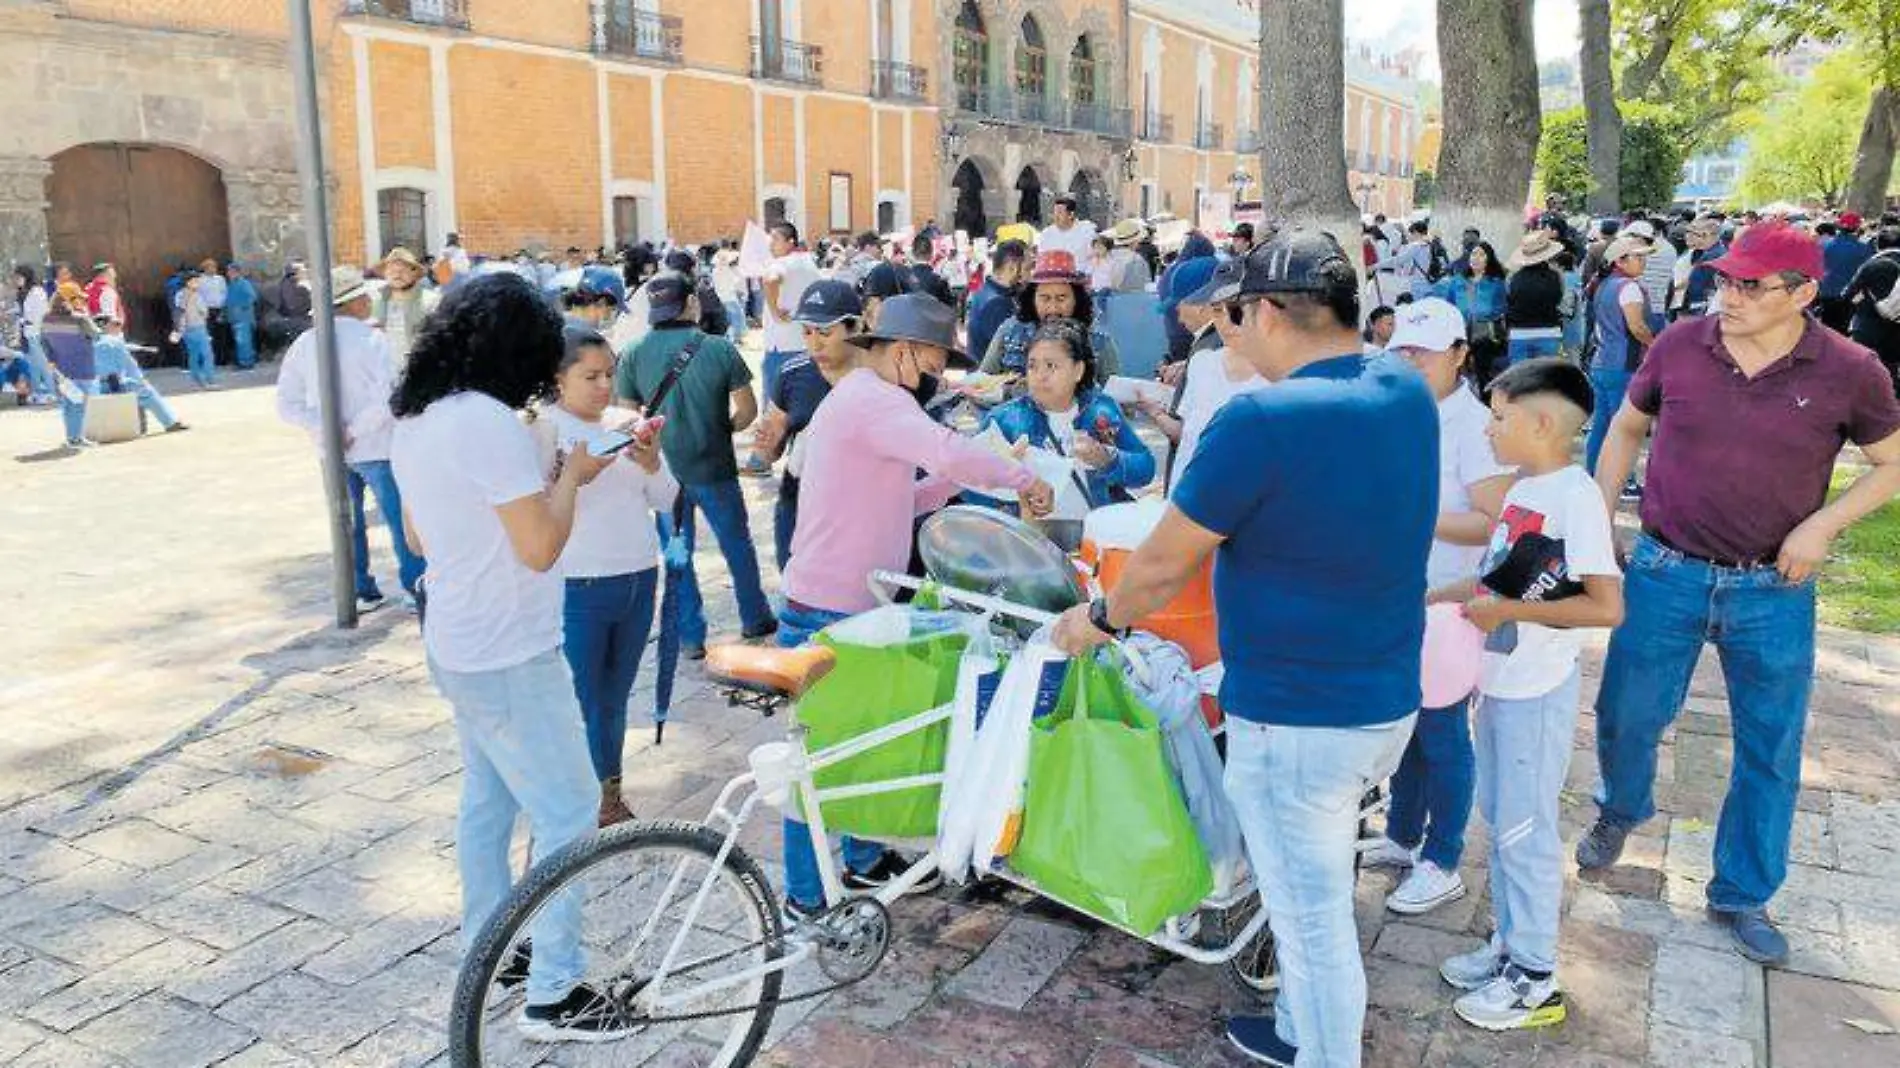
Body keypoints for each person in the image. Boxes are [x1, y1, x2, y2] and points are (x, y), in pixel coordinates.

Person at [1051, 232, 1435, 1067]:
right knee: (1314, 893)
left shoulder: (1261, 417)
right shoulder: (1402, 385)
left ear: (1265, 311)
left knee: (1311, 922)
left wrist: (1098, 619)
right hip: (1382, 693)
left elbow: (1159, 563)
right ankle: (1296, 1030)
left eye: (1234, 315)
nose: (1230, 334)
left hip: (1301, 714)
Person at [1580, 222, 1900, 967]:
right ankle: (1622, 807)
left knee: (1770, 745)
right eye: (1725, 279)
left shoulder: (1852, 370)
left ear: (1804, 294)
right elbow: (1626, 427)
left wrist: (1822, 527)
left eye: (1750, 285)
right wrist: (1601, 515)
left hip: (1773, 590)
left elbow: (1890, 465)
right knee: (1626, 715)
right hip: (1666, 572)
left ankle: (1743, 891)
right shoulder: (1680, 345)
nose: (1728, 295)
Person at [388, 273, 625, 1041]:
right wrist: (573, 482)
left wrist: (546, 483)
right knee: (568, 810)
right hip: (510, 646)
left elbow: (423, 538)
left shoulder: (416, 419)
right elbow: (540, 547)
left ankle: (489, 946)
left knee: (488, 803)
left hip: (457, 639)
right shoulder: (487, 422)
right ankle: (555, 993)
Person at [778, 293, 1054, 923]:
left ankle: (864, 860)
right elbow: (947, 452)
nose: (931, 375)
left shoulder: (863, 400)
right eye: (930, 362)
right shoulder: (874, 399)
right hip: (827, 604)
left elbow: (913, 490)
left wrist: (971, 475)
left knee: (864, 738)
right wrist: (1020, 480)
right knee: (816, 762)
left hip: (850, 597)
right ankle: (805, 897)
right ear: (901, 351)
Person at [1432, 358, 1623, 1031]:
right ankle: (1512, 946)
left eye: (1499, 417)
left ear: (1541, 423)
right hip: (1500, 683)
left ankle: (1536, 978)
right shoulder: (1522, 490)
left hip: (1536, 691)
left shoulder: (1575, 496)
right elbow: (1499, 583)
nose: (1489, 430)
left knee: (1525, 831)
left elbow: (1606, 607)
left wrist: (1507, 616)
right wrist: (1437, 598)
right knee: (1501, 818)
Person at [1365, 299, 1514, 918]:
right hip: (1395, 597)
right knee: (1406, 728)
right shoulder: (1394, 413)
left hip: (1448, 603)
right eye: (1402, 350)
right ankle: (1403, 835)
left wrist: (1413, 519)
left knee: (1443, 733)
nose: (1412, 360)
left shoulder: (1475, 426)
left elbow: (1492, 522)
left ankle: (1443, 858)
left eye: (1425, 350)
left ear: (1460, 353)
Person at [529, 328, 677, 828]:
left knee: (615, 697)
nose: (602, 386)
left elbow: (666, 499)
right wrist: (570, 475)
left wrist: (653, 462)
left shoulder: (627, 423)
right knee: (580, 698)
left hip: (637, 574)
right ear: (557, 379)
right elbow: (531, 512)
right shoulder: (542, 429)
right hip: (577, 583)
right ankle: (572, 798)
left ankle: (608, 795)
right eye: (589, 376)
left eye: (609, 375)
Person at [616, 273, 776, 657]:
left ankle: (690, 637)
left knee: (677, 556)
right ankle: (754, 617)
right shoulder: (719, 349)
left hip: (663, 473)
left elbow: (626, 419)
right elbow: (748, 411)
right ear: (691, 303)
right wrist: (722, 428)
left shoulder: (633, 352)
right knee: (737, 544)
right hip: (715, 467)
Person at [278, 266, 426, 608]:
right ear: (356, 302)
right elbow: (388, 397)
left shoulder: (304, 344)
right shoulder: (373, 340)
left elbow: (287, 403)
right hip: (377, 447)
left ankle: (360, 587)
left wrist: (327, 429)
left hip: (330, 449)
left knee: (346, 522)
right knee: (399, 520)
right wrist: (354, 430)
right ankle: (414, 584)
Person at [978, 319, 1155, 509]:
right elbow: (970, 491)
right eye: (1032, 366)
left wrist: (1107, 459)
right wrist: (1004, 475)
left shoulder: (1101, 410)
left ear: (1078, 370)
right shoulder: (1004, 420)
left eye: (1051, 366)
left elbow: (1145, 469)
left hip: (1092, 530)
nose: (1040, 375)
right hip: (1031, 533)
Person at [755, 280, 863, 569]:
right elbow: (769, 453)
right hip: (800, 501)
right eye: (806, 332)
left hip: (861, 504)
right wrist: (768, 444)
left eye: (826, 332)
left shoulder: (881, 375)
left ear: (856, 328)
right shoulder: (792, 374)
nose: (815, 343)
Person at [978, 250, 1121, 384]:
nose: (1053, 308)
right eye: (1045, 298)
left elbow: (1116, 397)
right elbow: (982, 383)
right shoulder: (1010, 331)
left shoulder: (1098, 339)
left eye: (1061, 298)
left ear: (1076, 299)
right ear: (1033, 299)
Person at [1582, 235, 1654, 476]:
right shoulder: (1628, 287)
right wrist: (1656, 345)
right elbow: (1637, 327)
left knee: (1601, 427)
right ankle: (1625, 480)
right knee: (1624, 428)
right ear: (1619, 261)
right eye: (1638, 257)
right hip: (1622, 365)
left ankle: (1593, 472)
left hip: (1602, 362)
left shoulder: (1603, 284)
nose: (1643, 262)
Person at [92, 315, 186, 434]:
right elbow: (129, 367)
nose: (120, 326)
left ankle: (141, 427)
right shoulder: (113, 342)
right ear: (104, 326)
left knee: (138, 394)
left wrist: (142, 348)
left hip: (99, 386)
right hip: (117, 383)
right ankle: (170, 423)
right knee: (147, 393)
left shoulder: (92, 342)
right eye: (116, 324)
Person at [1441, 241, 1508, 388]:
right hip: (1461, 333)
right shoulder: (1457, 280)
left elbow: (1504, 307)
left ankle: (1486, 405)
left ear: (1488, 259)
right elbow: (1449, 305)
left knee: (1484, 375)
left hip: (1485, 335)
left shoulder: (1496, 282)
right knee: (1458, 374)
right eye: (1473, 254)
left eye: (1481, 254)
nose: (1476, 258)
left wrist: (1488, 315)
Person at [40, 284, 99, 448]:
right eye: (79, 298)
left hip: (62, 369)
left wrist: (52, 360)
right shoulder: (80, 319)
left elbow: (43, 342)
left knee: (68, 405)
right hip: (83, 367)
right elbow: (96, 336)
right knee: (79, 405)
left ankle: (71, 437)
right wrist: (87, 314)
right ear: (70, 300)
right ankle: (76, 438)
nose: (82, 301)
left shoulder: (46, 319)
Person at [1846, 226, 1900, 392]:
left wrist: (1862, 299)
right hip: (1897, 325)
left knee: (1869, 364)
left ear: (1877, 244)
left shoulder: (1872, 264)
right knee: (1892, 363)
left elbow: (1848, 293)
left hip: (1869, 324)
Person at [1504, 231, 1566, 366]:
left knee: (1520, 381)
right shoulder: (1556, 276)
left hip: (1518, 333)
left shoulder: (1513, 278)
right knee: (1548, 379)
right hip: (1549, 331)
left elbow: (1509, 301)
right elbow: (1559, 299)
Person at [374, 247, 439, 369]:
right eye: (392, 270)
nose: (397, 274)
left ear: (414, 273)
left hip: (418, 369)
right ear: (385, 273)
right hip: (385, 370)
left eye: (403, 270)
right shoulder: (377, 301)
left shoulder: (431, 301)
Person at [967, 239, 1029, 366]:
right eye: (1028, 268)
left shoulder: (987, 291)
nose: (1031, 273)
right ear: (1012, 267)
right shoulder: (997, 303)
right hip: (990, 381)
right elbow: (1011, 352)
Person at [1818, 219, 1873, 334]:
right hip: (1851, 296)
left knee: (1827, 330)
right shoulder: (1864, 248)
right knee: (1845, 331)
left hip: (1827, 293)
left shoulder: (1824, 245)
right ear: (1857, 228)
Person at [12, 266, 53, 403]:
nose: (17, 280)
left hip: (37, 331)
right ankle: (36, 392)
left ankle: (53, 392)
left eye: (19, 277)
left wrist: (26, 319)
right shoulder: (21, 293)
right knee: (33, 365)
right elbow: (20, 312)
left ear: (26, 276)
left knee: (43, 364)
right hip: (27, 334)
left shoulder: (37, 291)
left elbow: (42, 312)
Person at [1372, 220, 1436, 302]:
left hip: (1416, 286)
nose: (1410, 237)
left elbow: (1398, 260)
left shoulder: (1416, 246)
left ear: (1416, 232)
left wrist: (1375, 266)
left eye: (1411, 234)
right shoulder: (1430, 244)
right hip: (1430, 283)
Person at [1677, 217, 1728, 320]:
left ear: (1712, 235)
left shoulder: (1714, 255)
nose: (1699, 239)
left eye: (1702, 235)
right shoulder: (1712, 252)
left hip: (1699, 307)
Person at [177, 272, 217, 389]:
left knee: (193, 355)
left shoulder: (180, 295)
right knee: (207, 354)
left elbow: (179, 312)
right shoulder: (195, 295)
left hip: (186, 329)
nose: (198, 283)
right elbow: (204, 312)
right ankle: (210, 380)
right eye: (195, 281)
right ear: (188, 282)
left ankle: (197, 381)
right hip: (198, 327)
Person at [1037, 194, 1098, 262]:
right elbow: (1041, 257)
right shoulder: (1046, 234)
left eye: (1060, 213)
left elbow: (1095, 256)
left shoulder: (1087, 230)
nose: (1056, 216)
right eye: (1054, 213)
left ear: (1071, 215)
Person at [224, 263, 260, 369]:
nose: (228, 274)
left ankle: (247, 362)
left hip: (243, 317)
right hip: (234, 317)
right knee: (239, 341)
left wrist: (241, 307)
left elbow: (252, 297)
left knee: (244, 340)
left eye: (231, 271)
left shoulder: (244, 283)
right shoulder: (231, 285)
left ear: (237, 272)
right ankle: (242, 361)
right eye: (228, 271)